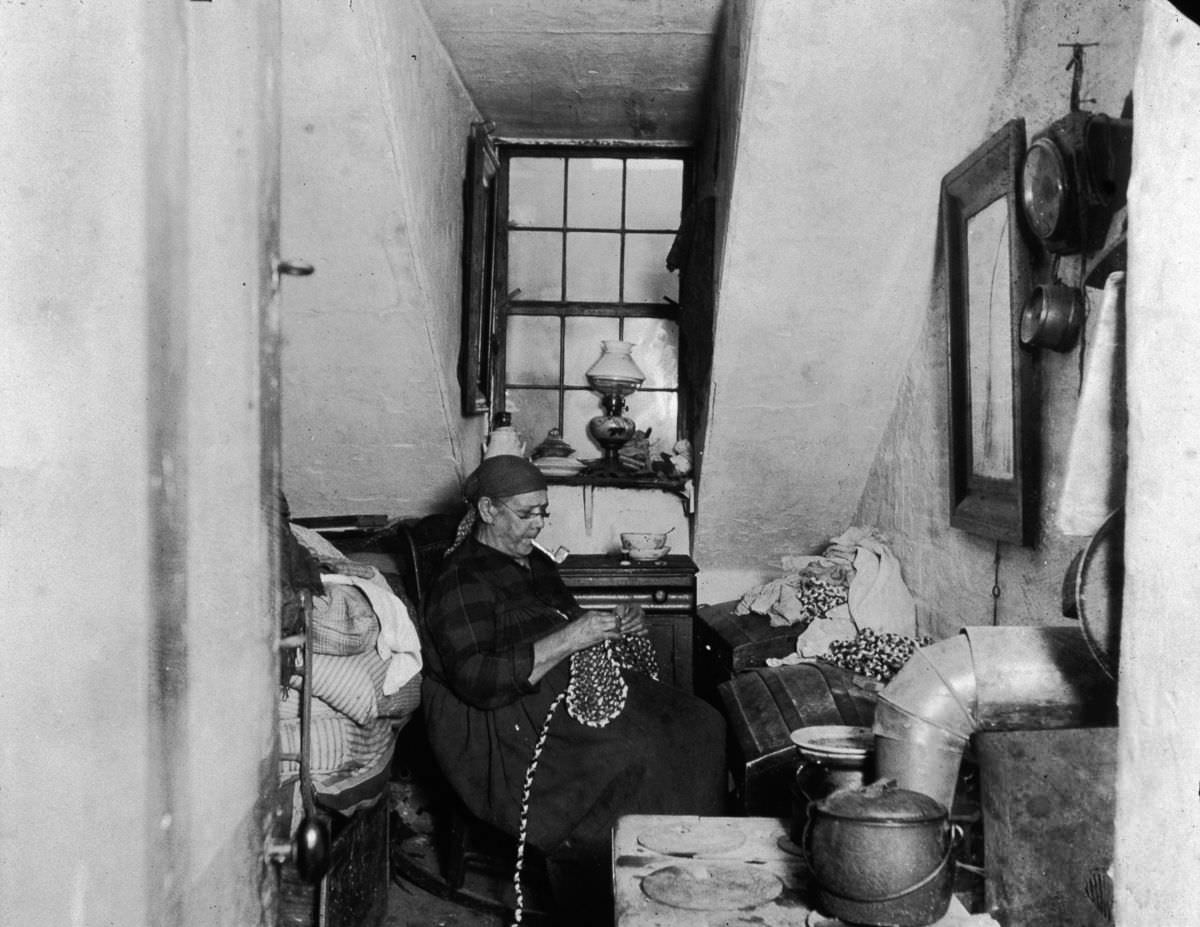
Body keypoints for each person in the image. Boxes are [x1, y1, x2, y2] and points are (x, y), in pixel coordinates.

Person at [418, 454, 727, 922]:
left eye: (544, 511)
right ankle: (612, 898)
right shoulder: (461, 580)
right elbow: (478, 683)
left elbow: (563, 619)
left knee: (701, 721)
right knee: (635, 749)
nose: (540, 525)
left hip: (567, 690)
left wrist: (613, 623)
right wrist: (574, 636)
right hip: (507, 721)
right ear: (486, 511)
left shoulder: (531, 562)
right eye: (527, 514)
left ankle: (683, 877)